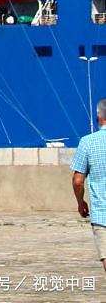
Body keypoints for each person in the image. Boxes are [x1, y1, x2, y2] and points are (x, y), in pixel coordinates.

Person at [73, 97, 106, 276]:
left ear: (98, 117)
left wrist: (81, 203)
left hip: (102, 213)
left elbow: (78, 180)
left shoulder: (87, 142)